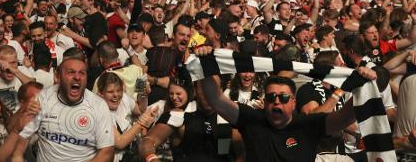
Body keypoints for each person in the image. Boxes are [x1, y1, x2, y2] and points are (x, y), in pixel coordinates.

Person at [198, 67, 377, 162]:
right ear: (265, 101)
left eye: (284, 97)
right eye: (271, 97)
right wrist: (206, 67)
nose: (277, 101)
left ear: (294, 102)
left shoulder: (307, 124)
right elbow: (215, 99)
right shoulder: (251, 119)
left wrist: (360, 85)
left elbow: (345, 118)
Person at [18, 56, 115, 161]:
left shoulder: (98, 105)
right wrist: (17, 156)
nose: (77, 77)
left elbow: (107, 152)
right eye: (71, 72)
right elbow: (24, 135)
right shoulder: (43, 98)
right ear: (58, 76)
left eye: (82, 73)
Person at [96, 72, 158, 162]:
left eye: (118, 90)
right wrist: (142, 123)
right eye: (110, 92)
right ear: (100, 94)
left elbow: (140, 110)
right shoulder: (99, 111)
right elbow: (120, 143)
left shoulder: (124, 98)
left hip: (133, 153)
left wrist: (143, 93)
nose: (116, 95)